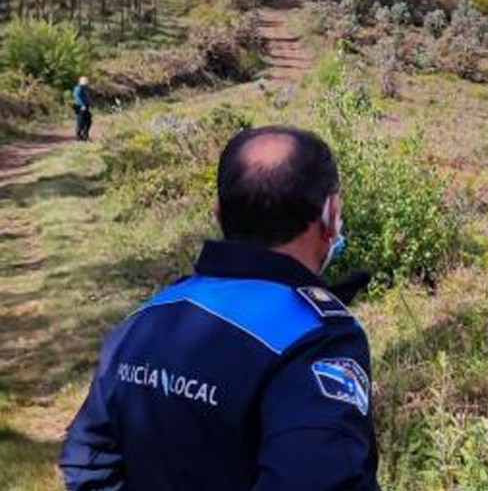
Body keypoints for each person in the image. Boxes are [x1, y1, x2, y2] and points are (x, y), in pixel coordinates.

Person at [59, 126, 380, 491]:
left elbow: (87, 459)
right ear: (330, 214)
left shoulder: (147, 317)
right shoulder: (315, 339)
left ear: (218, 211)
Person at [72, 76, 92, 141]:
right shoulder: (78, 88)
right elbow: (76, 96)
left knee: (87, 121)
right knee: (81, 122)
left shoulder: (83, 88)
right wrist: (82, 105)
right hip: (80, 107)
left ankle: (84, 135)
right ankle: (79, 136)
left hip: (84, 106)